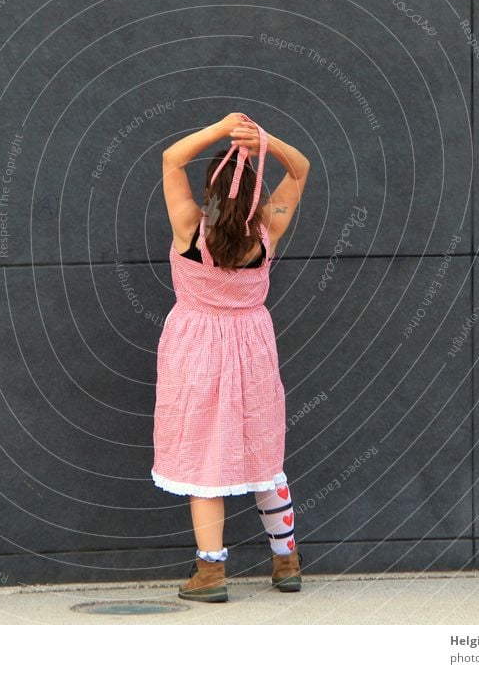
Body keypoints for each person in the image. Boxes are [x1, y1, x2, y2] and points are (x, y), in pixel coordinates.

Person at [153, 111, 311, 602]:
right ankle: (286, 562)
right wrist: (263, 139)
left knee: (203, 459)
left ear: (213, 191)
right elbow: (301, 168)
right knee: (262, 451)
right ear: (254, 197)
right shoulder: (267, 230)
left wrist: (223, 129)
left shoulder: (188, 226)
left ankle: (210, 573)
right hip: (253, 347)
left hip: (193, 347)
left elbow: (169, 159)